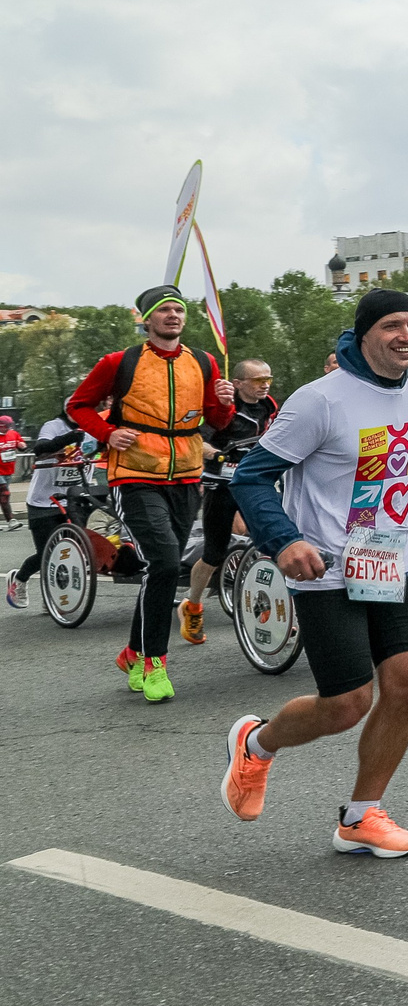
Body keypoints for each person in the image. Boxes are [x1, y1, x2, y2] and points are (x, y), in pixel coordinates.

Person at [219, 288, 408, 854]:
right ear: (365, 334)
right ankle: (257, 745)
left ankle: (361, 817)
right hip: (327, 566)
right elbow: (251, 477)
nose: (407, 336)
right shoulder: (320, 400)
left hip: (394, 556)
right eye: (393, 326)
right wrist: (284, 540)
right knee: (347, 704)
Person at [65, 284, 236, 701]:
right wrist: (108, 433)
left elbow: (218, 421)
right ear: (147, 319)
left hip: (187, 475)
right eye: (164, 310)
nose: (173, 315)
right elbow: (77, 405)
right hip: (134, 474)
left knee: (160, 568)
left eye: (179, 309)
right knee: (163, 562)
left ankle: (131, 651)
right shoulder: (119, 361)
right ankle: (153, 664)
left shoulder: (203, 361)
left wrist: (224, 401)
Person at [181, 357, 280, 641]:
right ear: (238, 383)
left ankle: (280, 612)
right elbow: (196, 440)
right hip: (222, 486)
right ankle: (192, 605)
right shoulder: (223, 407)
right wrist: (215, 454)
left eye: (268, 379)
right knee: (214, 553)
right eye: (258, 380)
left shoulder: (269, 406)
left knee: (275, 543)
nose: (265, 385)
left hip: (254, 484)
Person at [6, 409, 89, 609]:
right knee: (48, 552)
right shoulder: (53, 426)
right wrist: (69, 438)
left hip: (74, 498)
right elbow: (41, 449)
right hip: (43, 501)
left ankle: (55, 594)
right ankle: (20, 578)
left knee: (74, 551)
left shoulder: (97, 429)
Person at [0, 410, 21, 529]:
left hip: (8, 470)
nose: (8, 428)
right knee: (4, 493)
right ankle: (11, 520)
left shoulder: (13, 434)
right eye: (6, 426)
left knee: (2, 496)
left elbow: (20, 444)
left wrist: (22, 446)